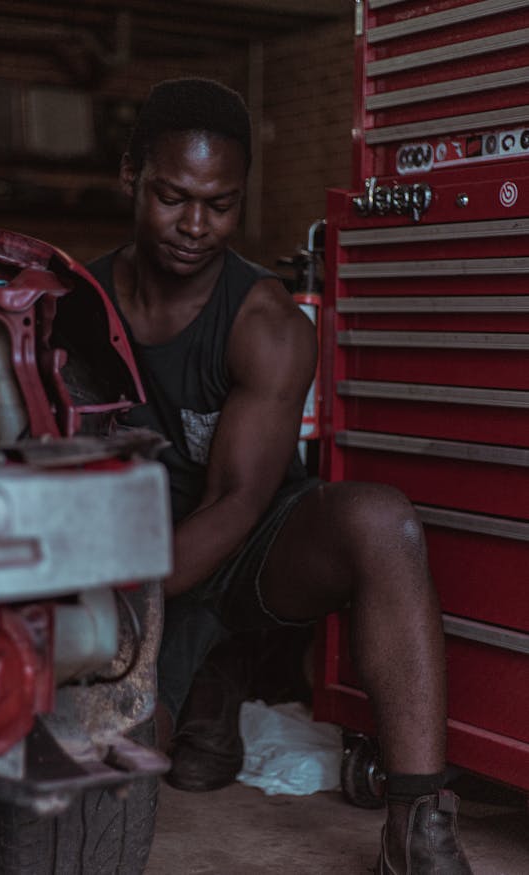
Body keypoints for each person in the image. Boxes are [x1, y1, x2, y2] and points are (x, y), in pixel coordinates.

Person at [86, 78, 473, 875]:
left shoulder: (267, 324)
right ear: (130, 176)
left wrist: (127, 615)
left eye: (220, 204)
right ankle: (207, 687)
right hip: (131, 551)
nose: (196, 225)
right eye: (171, 196)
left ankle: (418, 819)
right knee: (125, 762)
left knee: (380, 519)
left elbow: (237, 502)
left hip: (243, 546)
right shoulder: (72, 308)